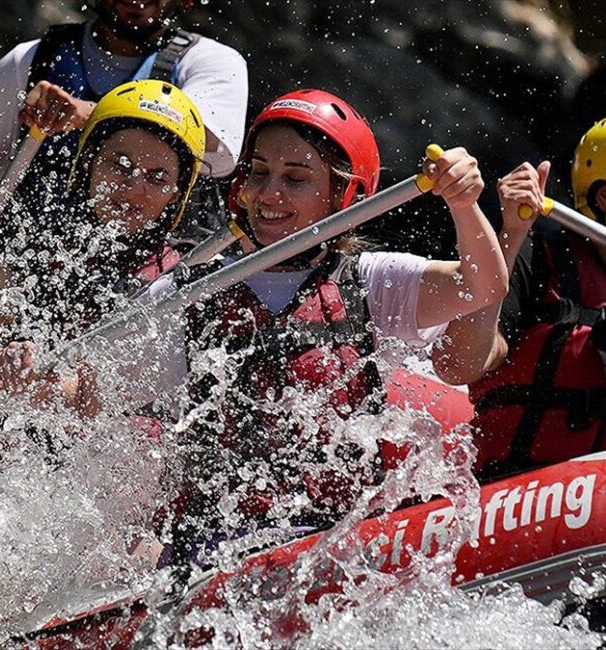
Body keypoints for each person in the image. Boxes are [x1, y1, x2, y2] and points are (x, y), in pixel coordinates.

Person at [165, 89, 510, 568]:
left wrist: (464, 203)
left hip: (330, 547)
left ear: (344, 197)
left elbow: (483, 284)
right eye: (260, 173)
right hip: (213, 549)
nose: (269, 194)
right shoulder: (187, 292)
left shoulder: (371, 282)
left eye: (296, 179)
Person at [0, 79, 202, 421]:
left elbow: (117, 402)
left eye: (157, 178)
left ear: (175, 196)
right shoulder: (28, 255)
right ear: (88, 164)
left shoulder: (178, 282)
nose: (133, 188)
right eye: (121, 164)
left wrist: (39, 388)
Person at [0, 0, 248, 254]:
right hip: (37, 263)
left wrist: (88, 115)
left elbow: (206, 140)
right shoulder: (28, 60)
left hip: (149, 275)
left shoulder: (212, 63)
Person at [432, 117, 606, 480]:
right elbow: (457, 365)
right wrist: (512, 231)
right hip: (522, 491)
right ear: (603, 197)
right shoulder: (543, 257)